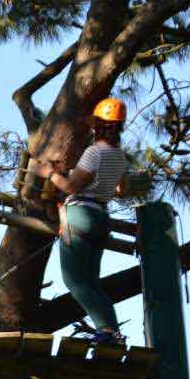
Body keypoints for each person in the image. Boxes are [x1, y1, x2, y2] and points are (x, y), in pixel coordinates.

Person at [36, 97, 130, 345]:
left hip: (80, 217)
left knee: (75, 281)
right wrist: (97, 183)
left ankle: (107, 332)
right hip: (101, 218)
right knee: (91, 282)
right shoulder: (118, 155)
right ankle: (111, 331)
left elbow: (69, 187)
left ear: (98, 125)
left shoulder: (93, 152)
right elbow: (122, 189)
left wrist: (50, 174)